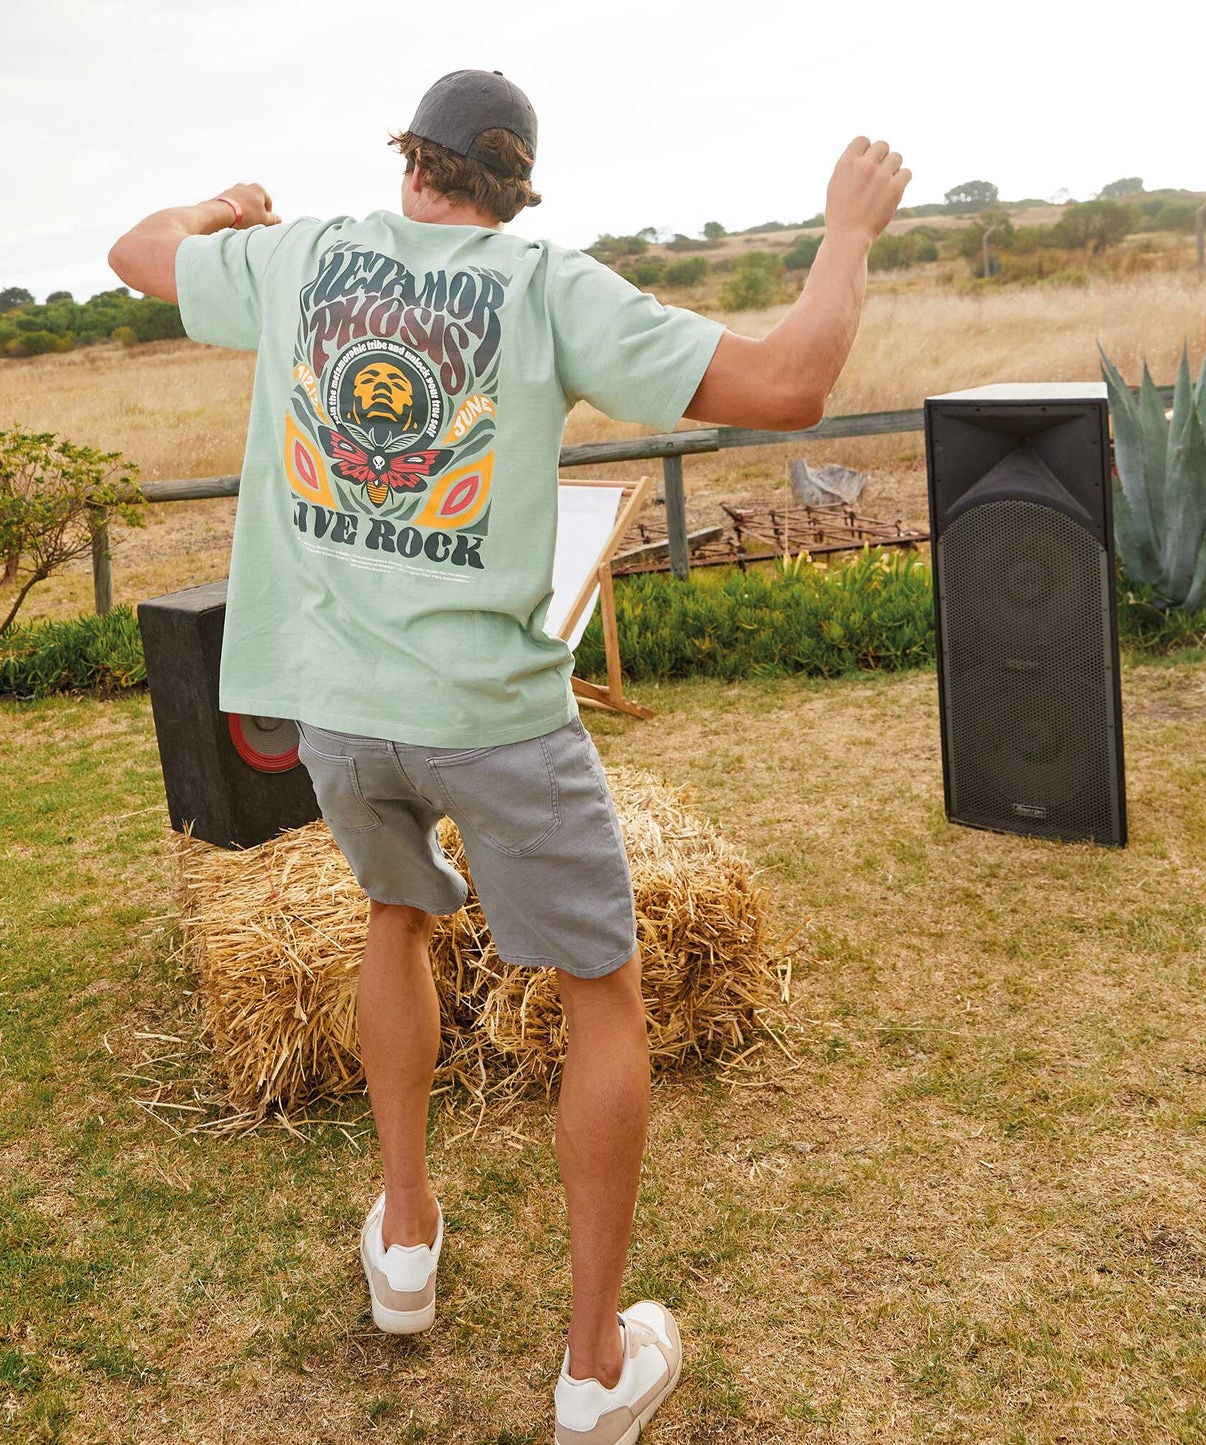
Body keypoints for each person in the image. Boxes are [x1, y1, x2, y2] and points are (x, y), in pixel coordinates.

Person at [109, 68, 908, 1445]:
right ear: (511, 185)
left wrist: (216, 207)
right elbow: (787, 384)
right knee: (601, 991)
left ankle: (406, 1240)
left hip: (339, 715)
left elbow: (136, 254)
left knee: (392, 914)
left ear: (409, 161)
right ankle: (592, 1367)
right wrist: (844, 231)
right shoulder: (548, 287)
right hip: (496, 715)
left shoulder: (298, 260)